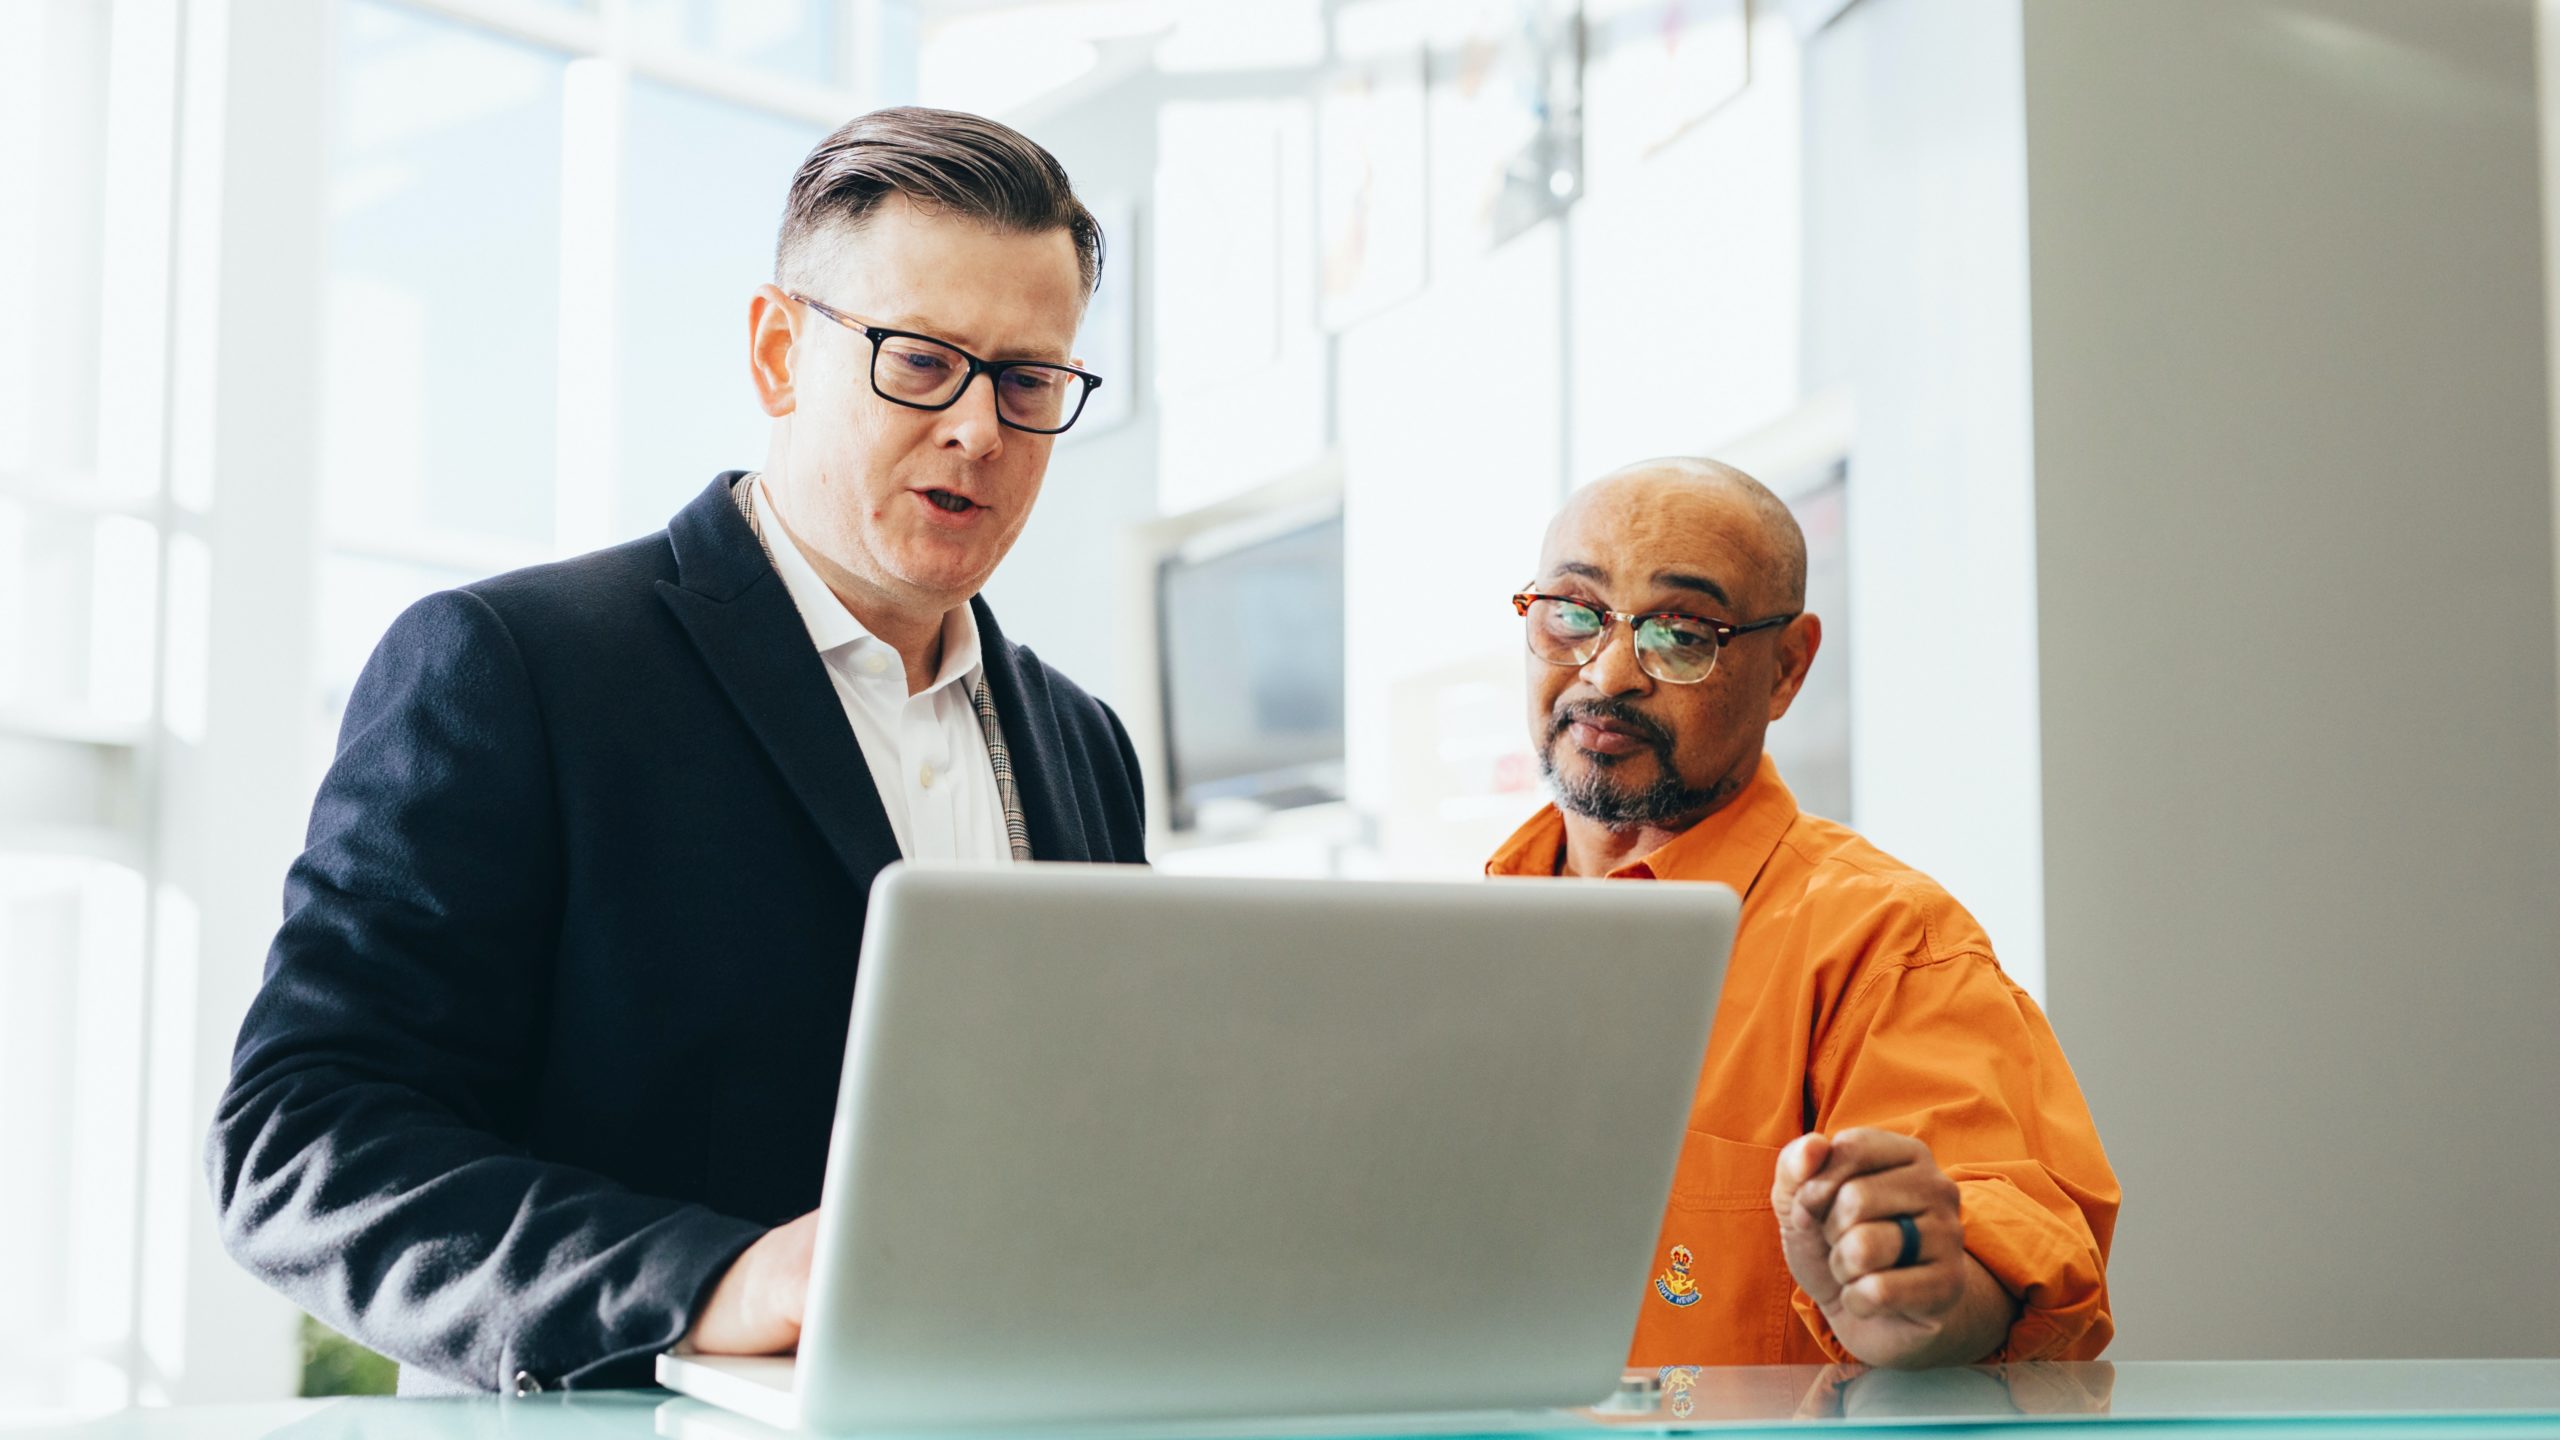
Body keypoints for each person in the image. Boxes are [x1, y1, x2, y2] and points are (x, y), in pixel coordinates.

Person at [207, 108, 1146, 1395]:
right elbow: (301, 1150)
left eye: (1028, 381)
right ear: (778, 354)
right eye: (920, 362)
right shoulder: (510, 666)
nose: (979, 429)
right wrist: (716, 1282)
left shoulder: (1082, 744)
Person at [1489, 458, 2120, 1369]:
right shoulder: (1467, 936)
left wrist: (1915, 1297)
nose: (1611, 671)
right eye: (1574, 614)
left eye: (1681, 633)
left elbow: (2002, 1258)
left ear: (1786, 669)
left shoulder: (1889, 943)